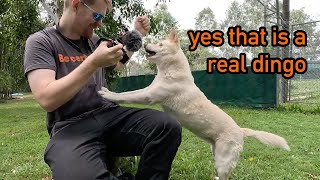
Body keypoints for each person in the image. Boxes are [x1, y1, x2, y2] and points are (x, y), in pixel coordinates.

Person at [23, 0, 182, 179]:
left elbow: (119, 63)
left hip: (109, 115)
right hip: (69, 127)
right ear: (76, 4)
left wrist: (137, 33)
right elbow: (46, 98)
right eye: (97, 16)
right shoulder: (41, 41)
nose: (99, 23)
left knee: (167, 127)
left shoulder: (94, 41)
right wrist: (92, 63)